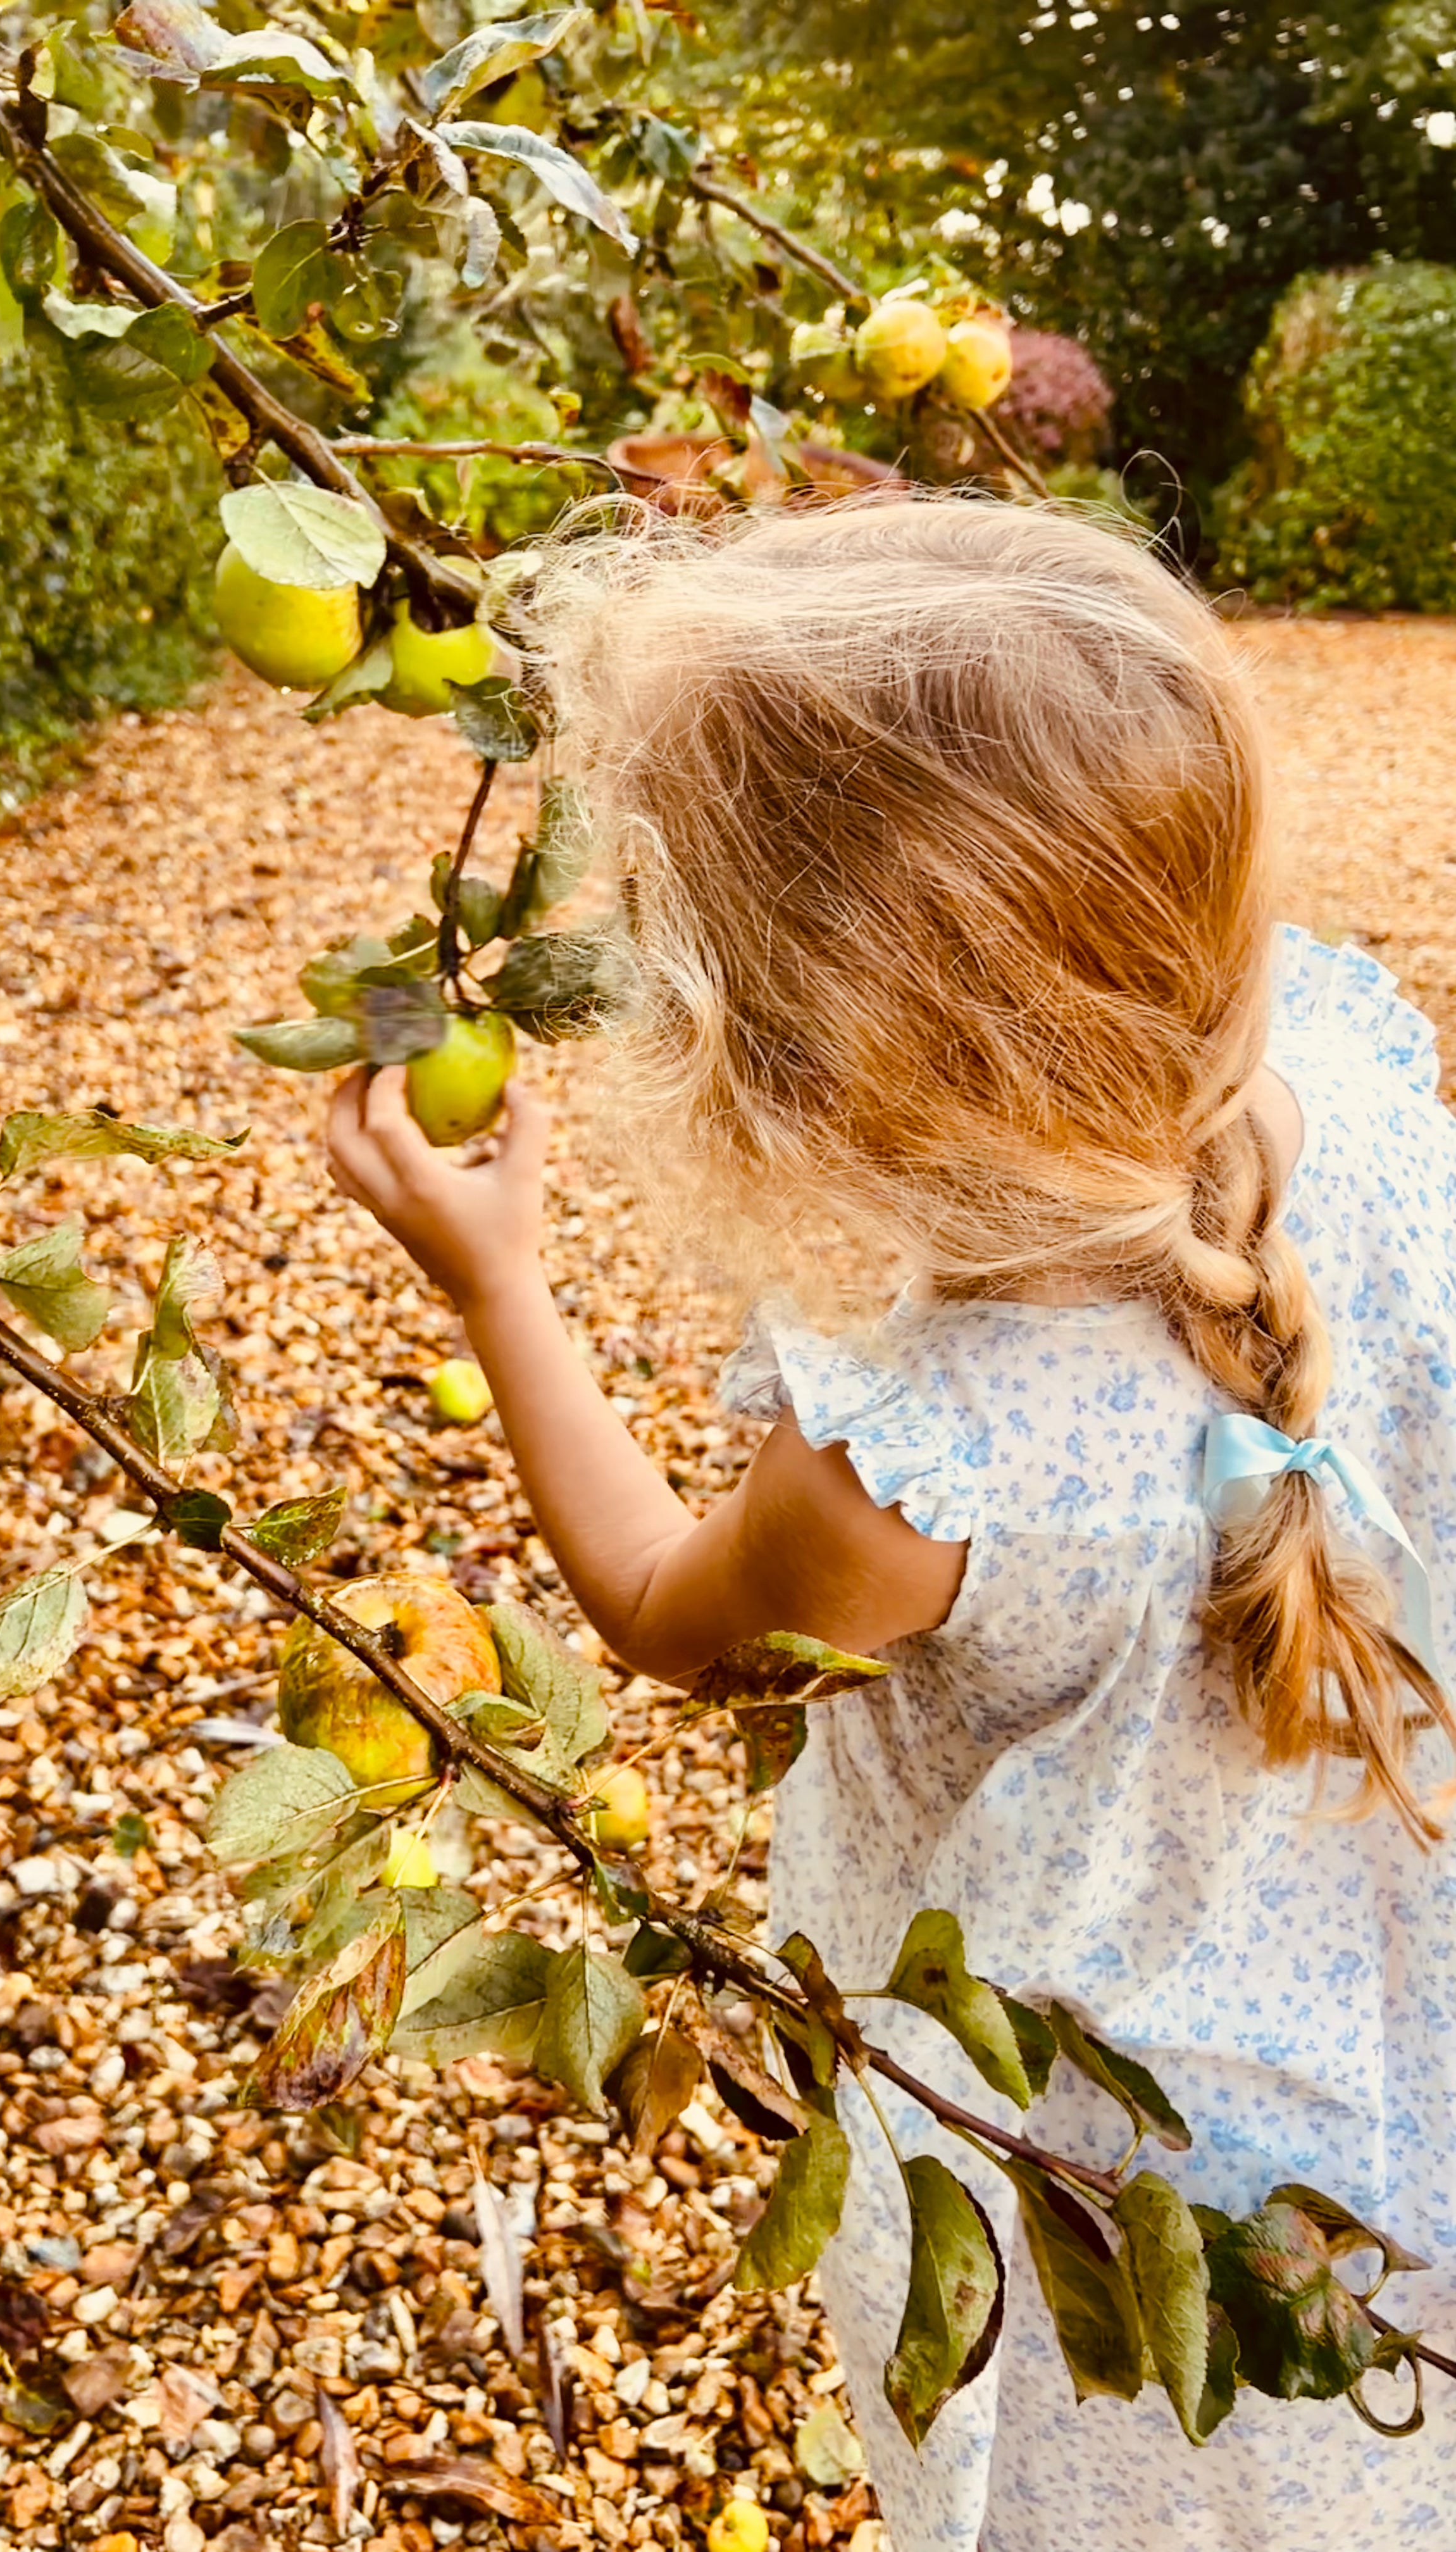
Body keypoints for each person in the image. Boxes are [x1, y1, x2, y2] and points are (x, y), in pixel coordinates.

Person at [324, 497, 1456, 2551]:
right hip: (1372, 1967)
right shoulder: (1360, 1118)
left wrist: (496, 1286)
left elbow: (661, 1608)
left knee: (1146, 2474)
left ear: (804, 1061)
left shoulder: (913, 1471)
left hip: (1096, 2127)